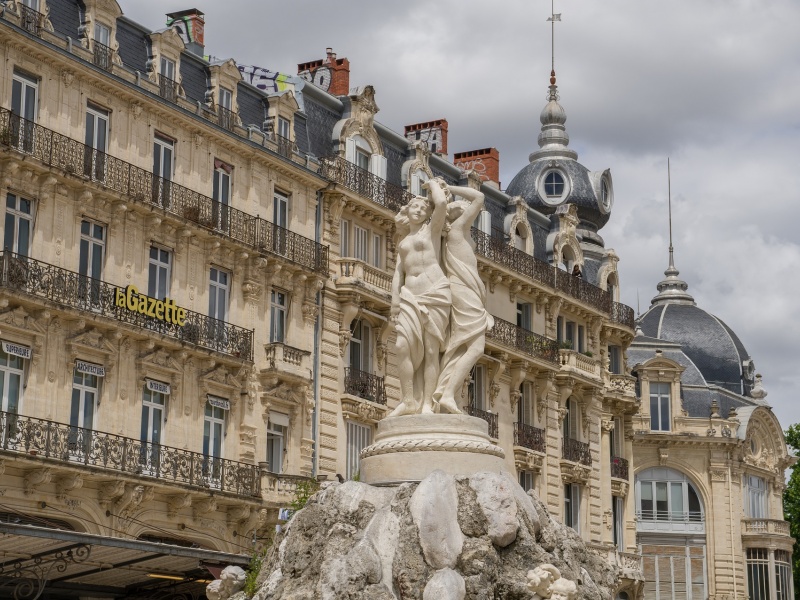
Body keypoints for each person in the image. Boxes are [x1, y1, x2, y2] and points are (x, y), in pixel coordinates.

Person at [389, 178, 451, 416]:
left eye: (423, 208)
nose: (419, 210)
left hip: (435, 292)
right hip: (409, 297)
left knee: (431, 351)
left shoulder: (432, 231)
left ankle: (427, 403)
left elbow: (442, 204)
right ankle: (408, 400)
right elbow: (398, 272)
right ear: (407, 210)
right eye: (415, 206)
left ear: (427, 215)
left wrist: (434, 185)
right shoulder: (403, 241)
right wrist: (395, 301)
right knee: (401, 345)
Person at [432, 184, 494, 414]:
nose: (470, 213)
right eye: (464, 210)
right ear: (458, 215)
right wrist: (450, 187)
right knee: (476, 347)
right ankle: (447, 394)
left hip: (467, 291)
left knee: (459, 347)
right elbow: (479, 197)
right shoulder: (458, 230)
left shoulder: (458, 234)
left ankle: (444, 392)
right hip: (464, 292)